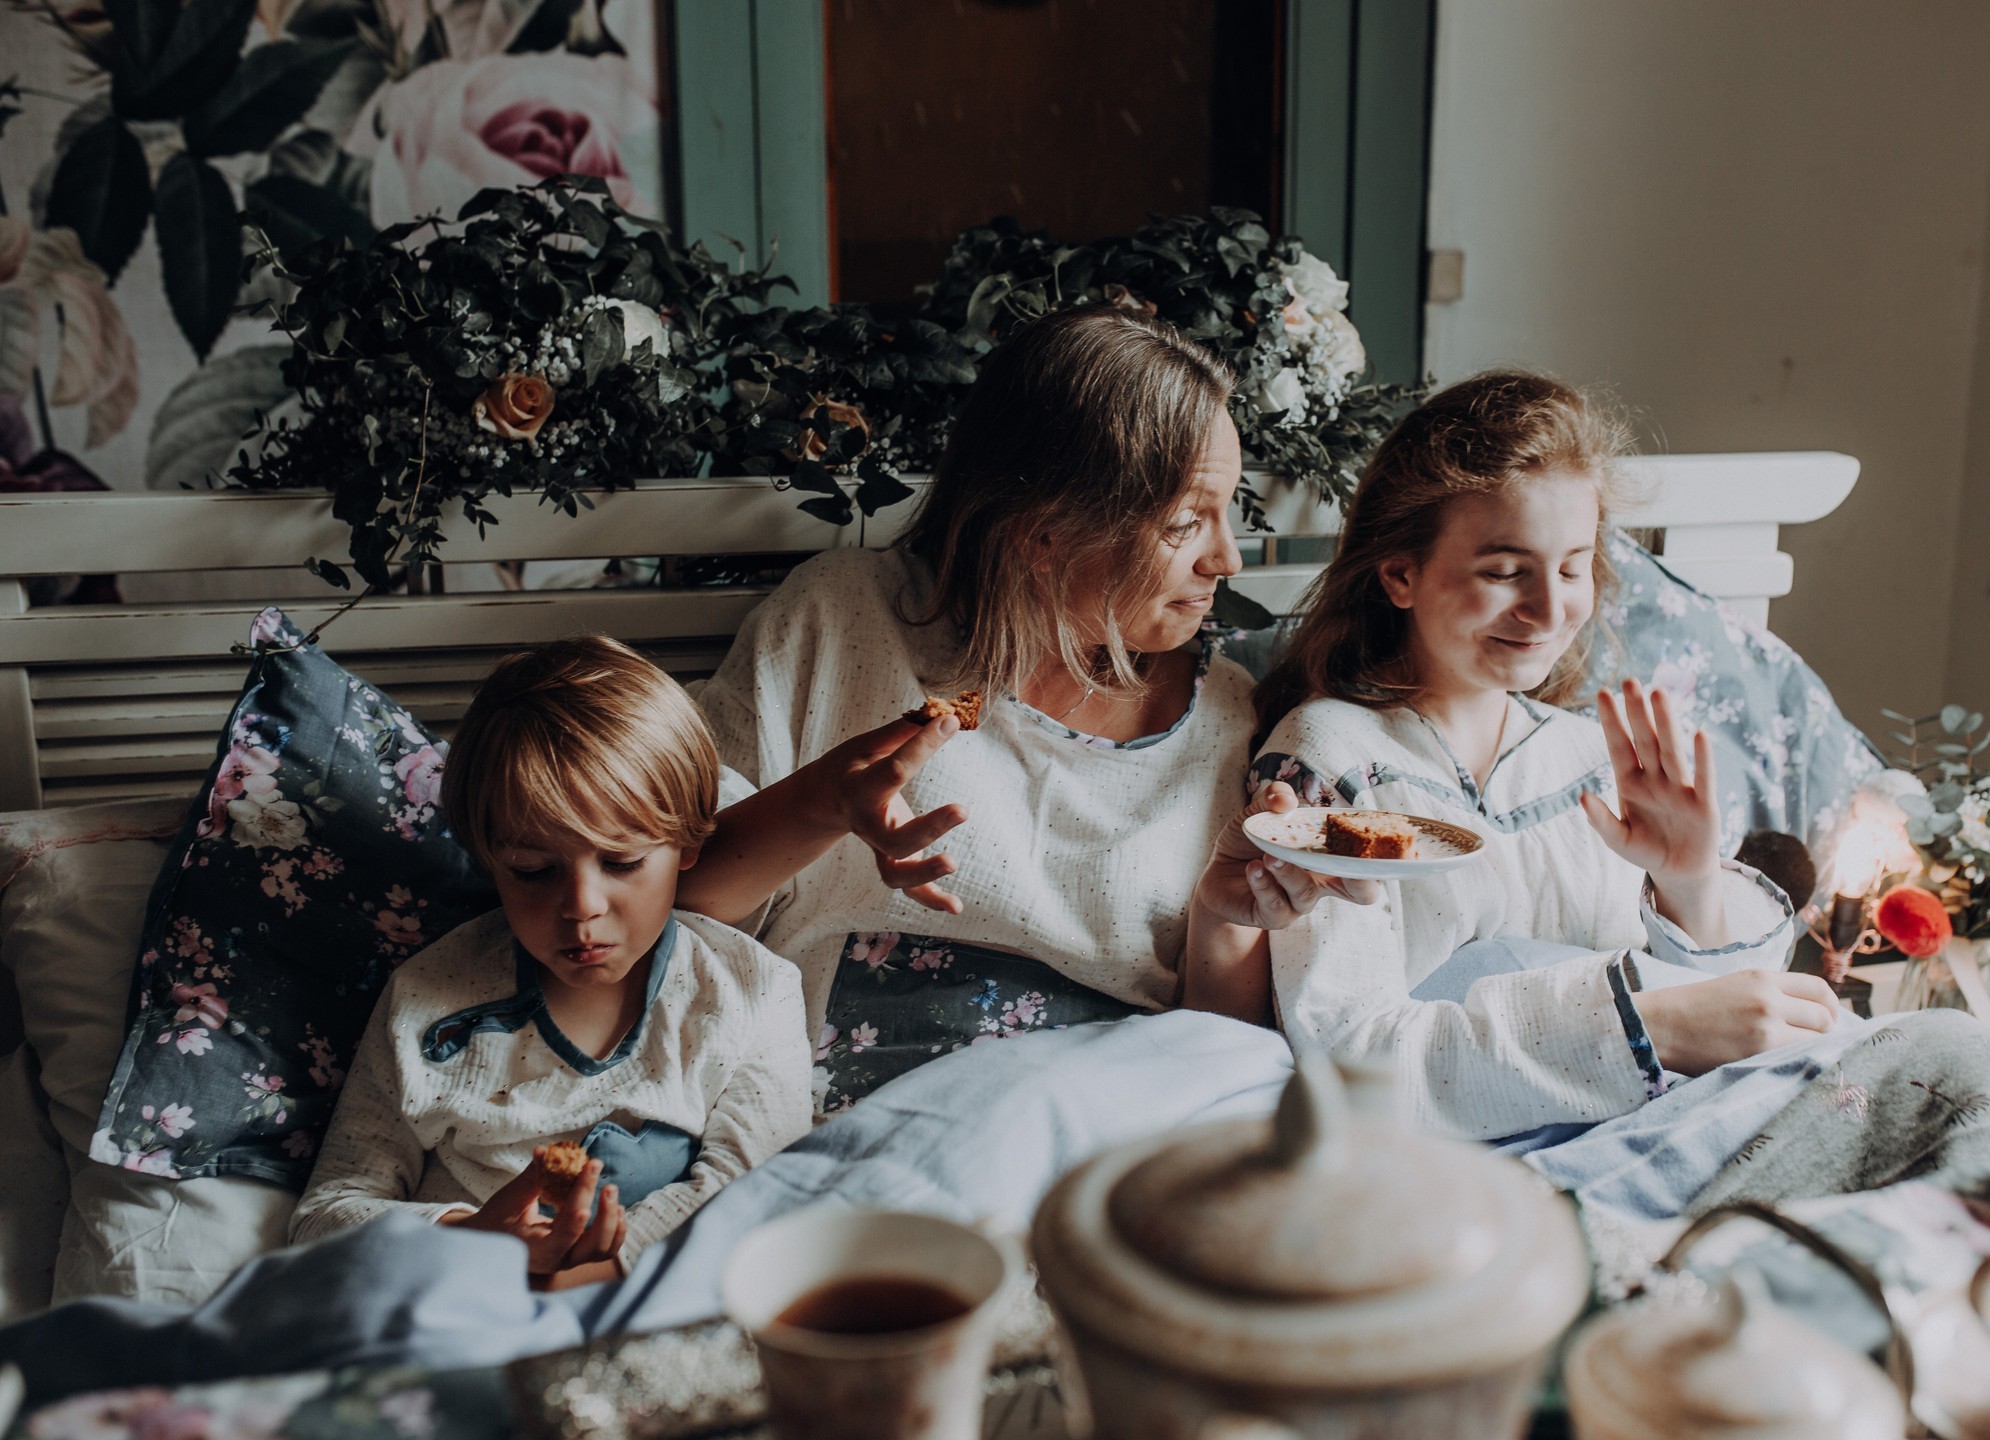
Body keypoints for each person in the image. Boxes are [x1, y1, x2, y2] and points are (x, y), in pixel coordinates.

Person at [690, 306, 1345, 1114]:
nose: (1228, 558)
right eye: (1185, 521)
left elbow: (1218, 1061)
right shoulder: (842, 623)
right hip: (855, 1125)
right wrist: (822, 804)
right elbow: (674, 900)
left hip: (1108, 1136)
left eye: (1228, 508)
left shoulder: (1227, 716)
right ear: (1043, 535)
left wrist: (1221, 917)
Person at [1190, 370, 1842, 1139]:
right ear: (1400, 574)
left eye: (1572, 568)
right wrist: (1638, 1028)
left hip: (1676, 1121)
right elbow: (1351, 1058)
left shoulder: (1593, 759)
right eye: (1504, 573)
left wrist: (1689, 885)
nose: (1549, 609)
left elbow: (1734, 1022)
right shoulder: (1328, 765)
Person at [292, 636, 918, 1289]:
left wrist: (573, 1279)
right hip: (458, 1302)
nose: (582, 907)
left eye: (621, 862)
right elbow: (325, 1213)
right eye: (533, 870)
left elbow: (754, 1192)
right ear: (489, 860)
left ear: (688, 845)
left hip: (657, 1300)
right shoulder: (426, 1000)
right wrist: (467, 1238)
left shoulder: (750, 993)